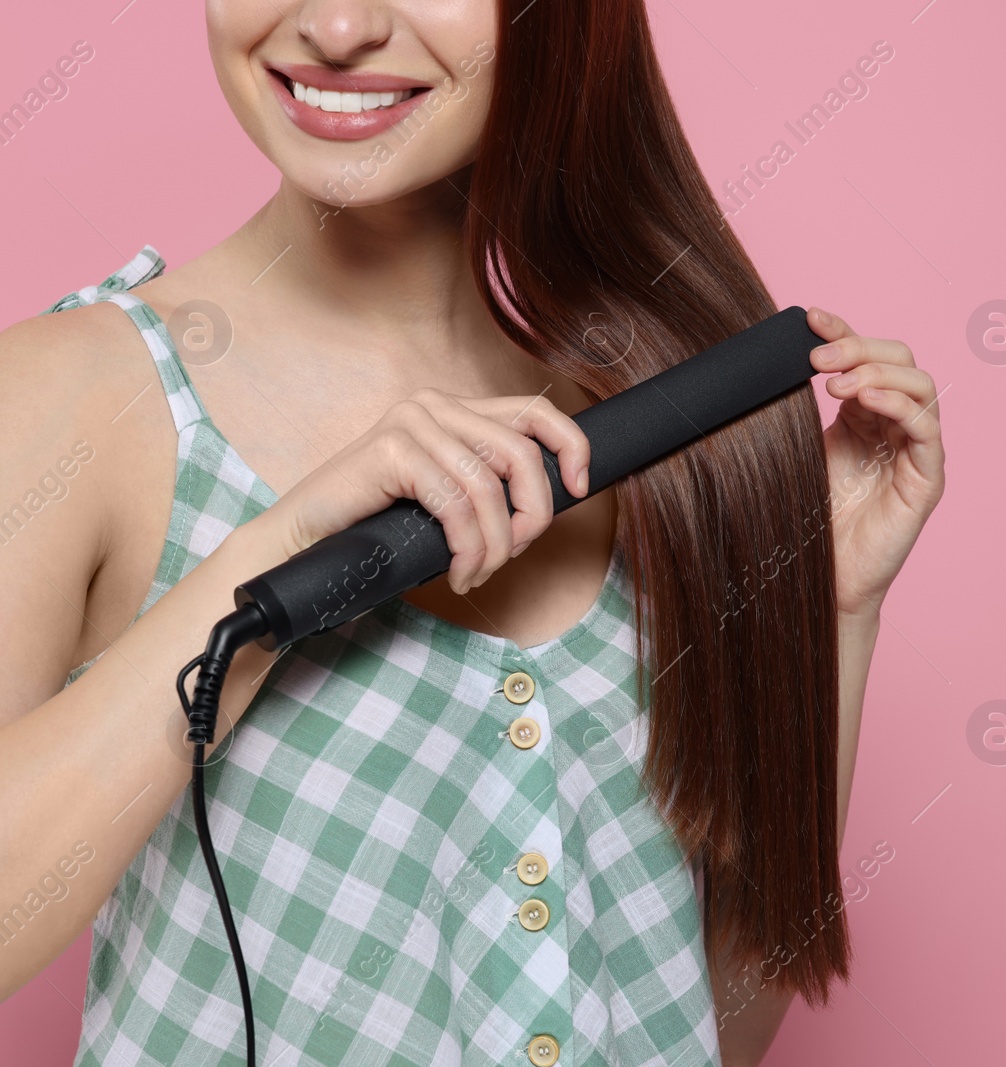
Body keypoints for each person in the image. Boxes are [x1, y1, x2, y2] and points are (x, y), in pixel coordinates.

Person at [0, 1, 944, 1065]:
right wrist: (276, 557)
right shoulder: (77, 399)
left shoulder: (647, 436)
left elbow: (698, 1019)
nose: (340, 25)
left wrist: (824, 614)